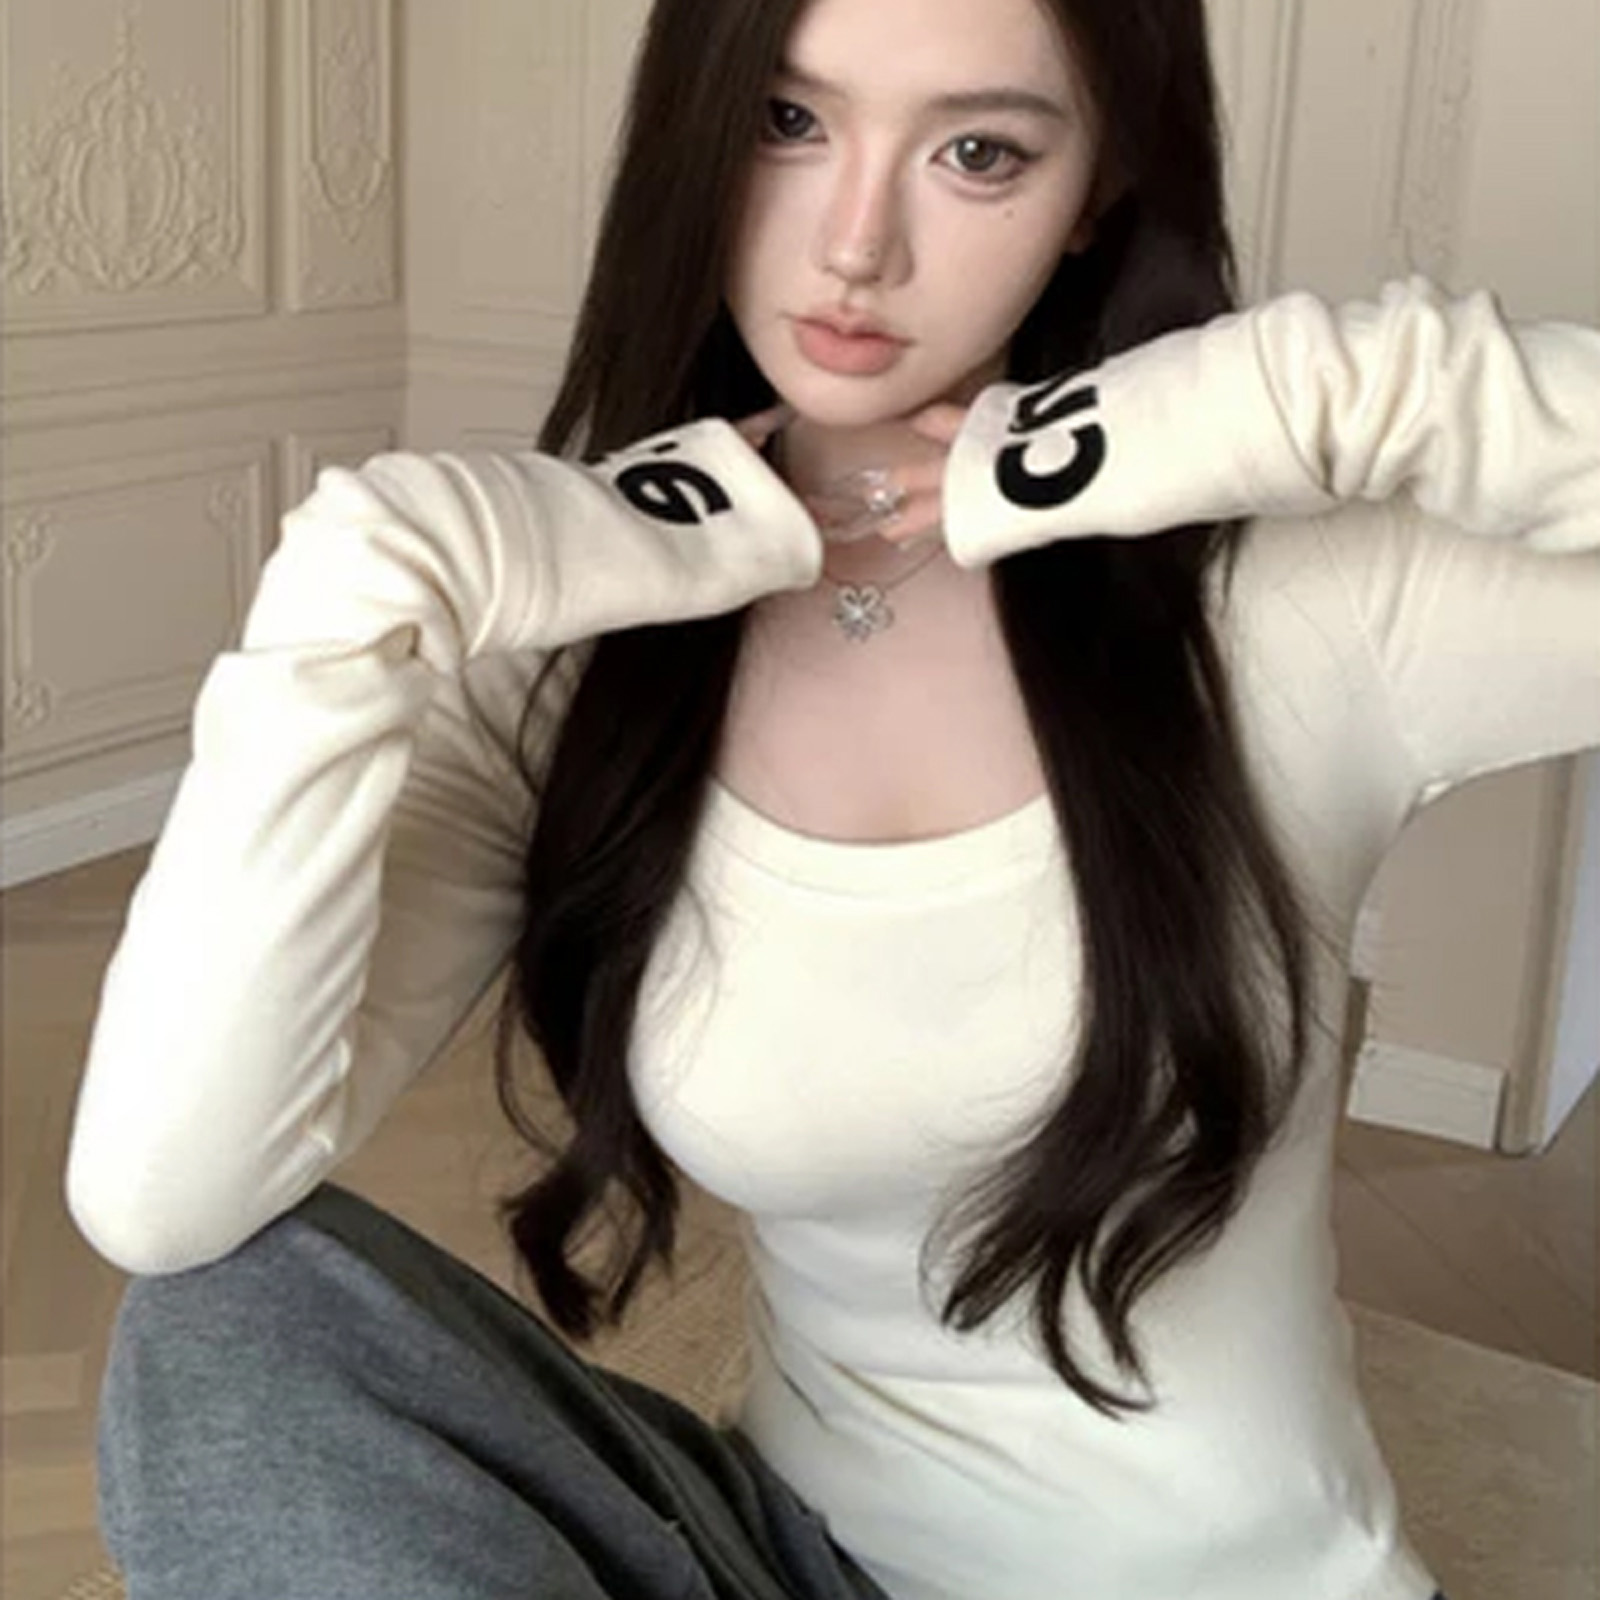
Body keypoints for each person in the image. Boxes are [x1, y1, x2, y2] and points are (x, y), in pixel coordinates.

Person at [65, 0, 1596, 1595]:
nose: (856, 246)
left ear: (1096, 192)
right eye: (788, 123)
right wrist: (345, 605)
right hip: (788, 1558)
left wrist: (1277, 399)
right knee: (220, 1329)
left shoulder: (1291, 607)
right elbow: (164, 1201)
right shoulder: (580, 672)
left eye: (978, 151)